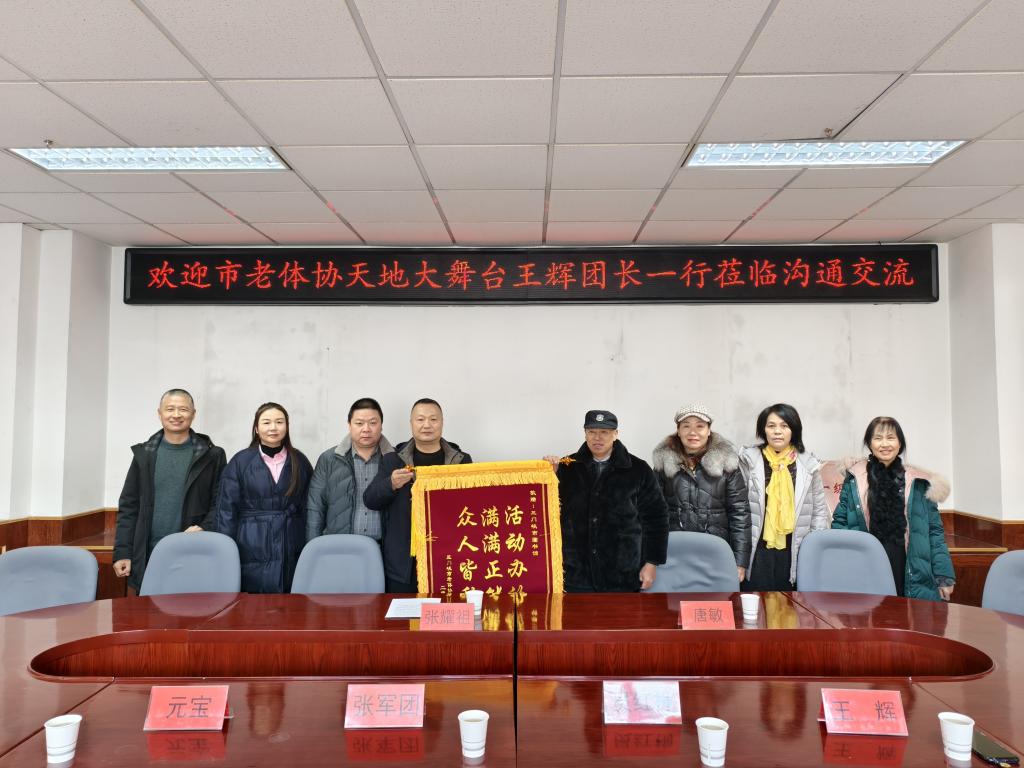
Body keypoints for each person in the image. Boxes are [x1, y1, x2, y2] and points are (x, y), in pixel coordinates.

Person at [113, 389, 226, 592]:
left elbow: (221, 502)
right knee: (149, 610)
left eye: (183, 409)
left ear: (193, 414)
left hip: (193, 551)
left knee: (192, 609)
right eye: (170, 409)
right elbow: (129, 506)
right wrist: (123, 552)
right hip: (149, 554)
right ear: (160, 413)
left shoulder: (212, 455)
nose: (176, 414)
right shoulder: (144, 454)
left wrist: (204, 527)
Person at [832, 416, 955, 601]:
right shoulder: (855, 478)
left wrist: (944, 575)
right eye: (878, 438)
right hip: (867, 565)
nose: (884, 444)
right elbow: (840, 524)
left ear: (900, 443)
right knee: (870, 616)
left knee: (908, 616)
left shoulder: (919, 482)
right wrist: (840, 568)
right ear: (869, 444)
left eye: (890, 438)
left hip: (909, 566)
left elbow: (934, 531)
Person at [549, 410, 668, 592]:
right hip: (576, 573)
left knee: (621, 612)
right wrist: (548, 474)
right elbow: (547, 511)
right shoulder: (567, 467)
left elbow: (656, 518)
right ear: (585, 433)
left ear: (615, 434)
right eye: (592, 431)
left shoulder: (638, 469)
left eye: (604, 432)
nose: (597, 437)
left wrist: (652, 563)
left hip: (623, 572)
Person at [363, 398, 472, 593]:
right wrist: (391, 484)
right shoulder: (393, 460)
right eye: (420, 419)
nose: (427, 425)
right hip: (404, 564)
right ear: (411, 423)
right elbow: (370, 499)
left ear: (442, 422)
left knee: (448, 612)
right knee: (404, 613)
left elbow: (477, 502)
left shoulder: (461, 461)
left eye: (433, 419)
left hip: (449, 558)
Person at [216, 402, 313, 593]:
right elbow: (226, 511)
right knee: (253, 604)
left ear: (287, 426)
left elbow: (309, 507)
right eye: (266, 422)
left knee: (291, 601)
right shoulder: (240, 462)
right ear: (256, 428)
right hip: (250, 543)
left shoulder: (299, 461)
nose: (273, 427)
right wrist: (225, 552)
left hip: (291, 541)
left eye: (279, 422)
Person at [652, 404, 751, 582]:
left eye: (700, 426)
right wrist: (650, 559)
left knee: (713, 598)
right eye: (686, 426)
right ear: (678, 431)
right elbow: (652, 514)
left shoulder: (727, 464)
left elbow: (740, 514)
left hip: (715, 553)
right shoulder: (663, 464)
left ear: (709, 430)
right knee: (673, 598)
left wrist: (740, 562)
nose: (693, 432)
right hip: (673, 553)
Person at [739, 403, 828, 591]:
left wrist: (815, 550)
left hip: (794, 549)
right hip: (757, 549)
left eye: (784, 426)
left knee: (789, 604)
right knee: (757, 602)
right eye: (771, 426)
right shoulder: (748, 461)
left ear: (794, 430)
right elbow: (737, 508)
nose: (777, 431)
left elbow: (819, 511)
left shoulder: (808, 464)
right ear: (763, 429)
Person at [306, 397, 395, 542]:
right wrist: (313, 547)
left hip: (384, 548)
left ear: (381, 425)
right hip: (340, 546)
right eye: (359, 423)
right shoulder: (329, 459)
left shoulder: (395, 459)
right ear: (349, 425)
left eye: (373, 423)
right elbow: (315, 508)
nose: (366, 429)